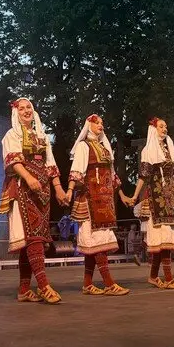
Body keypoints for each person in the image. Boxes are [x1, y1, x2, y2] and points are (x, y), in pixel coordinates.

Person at [0, 98, 67, 303]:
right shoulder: (12, 135)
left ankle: (24, 289)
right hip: (22, 188)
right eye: (22, 108)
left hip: (42, 189)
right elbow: (12, 160)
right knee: (32, 238)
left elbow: (50, 164)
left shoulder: (42, 137)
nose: (26, 111)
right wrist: (28, 177)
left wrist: (58, 188)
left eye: (29, 107)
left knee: (35, 238)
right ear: (16, 113)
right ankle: (44, 285)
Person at [65, 114, 130, 296]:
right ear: (89, 125)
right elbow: (77, 170)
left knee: (95, 245)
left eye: (102, 123)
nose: (101, 125)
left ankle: (87, 284)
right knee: (97, 242)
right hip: (90, 199)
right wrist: (69, 190)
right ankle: (108, 283)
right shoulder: (83, 146)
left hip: (105, 200)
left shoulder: (105, 148)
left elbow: (112, 175)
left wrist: (123, 195)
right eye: (97, 122)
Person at [126, 118, 174, 289]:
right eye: (161, 126)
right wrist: (134, 196)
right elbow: (143, 175)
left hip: (172, 200)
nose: (165, 129)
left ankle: (154, 277)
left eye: (166, 126)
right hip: (157, 200)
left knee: (166, 240)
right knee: (163, 240)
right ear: (154, 129)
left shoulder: (168, 151)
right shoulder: (148, 150)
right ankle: (168, 278)